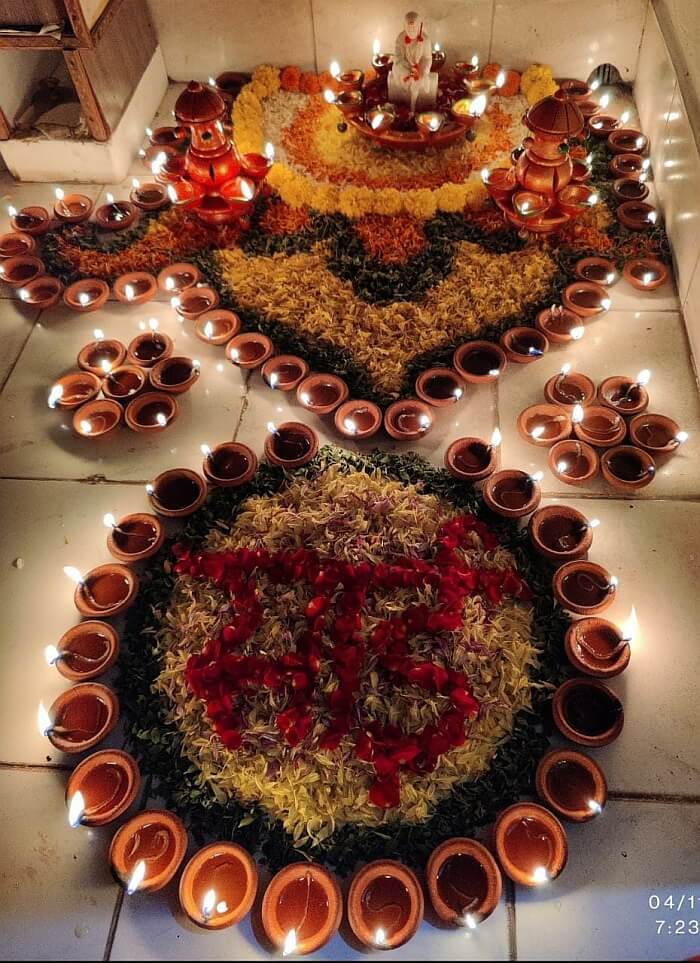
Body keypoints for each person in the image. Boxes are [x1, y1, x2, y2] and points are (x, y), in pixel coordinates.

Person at [387, 11, 439, 112]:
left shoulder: (426, 40)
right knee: (403, 72)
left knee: (419, 78)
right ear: (404, 26)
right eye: (409, 27)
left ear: (420, 26)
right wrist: (409, 68)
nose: (411, 30)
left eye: (414, 27)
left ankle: (413, 106)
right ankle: (408, 105)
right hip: (403, 67)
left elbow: (427, 58)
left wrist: (424, 70)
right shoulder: (400, 38)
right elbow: (398, 57)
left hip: (420, 66)